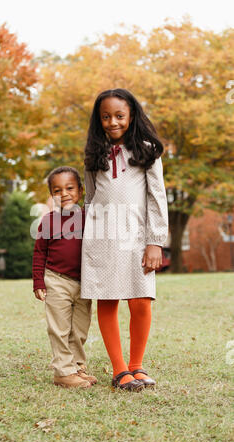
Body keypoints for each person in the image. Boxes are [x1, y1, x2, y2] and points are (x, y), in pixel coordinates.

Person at [81, 89, 169, 391]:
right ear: (99, 120)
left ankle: (136, 366)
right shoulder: (94, 155)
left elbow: (157, 197)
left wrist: (155, 241)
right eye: (106, 117)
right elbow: (91, 198)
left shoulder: (147, 150)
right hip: (102, 237)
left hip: (136, 236)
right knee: (108, 299)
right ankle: (120, 371)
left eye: (119, 115)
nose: (112, 122)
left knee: (141, 300)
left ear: (131, 116)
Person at [33, 166, 97, 389]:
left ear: (80, 191)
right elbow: (39, 252)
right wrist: (38, 281)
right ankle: (62, 371)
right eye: (57, 191)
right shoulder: (48, 221)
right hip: (56, 279)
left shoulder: (89, 218)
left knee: (79, 328)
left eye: (69, 188)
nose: (64, 194)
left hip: (84, 282)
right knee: (59, 328)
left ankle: (77, 366)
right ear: (52, 196)